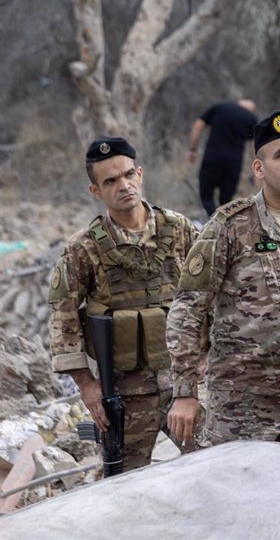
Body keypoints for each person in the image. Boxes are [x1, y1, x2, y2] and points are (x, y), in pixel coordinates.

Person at [166, 111, 280, 447]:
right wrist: (184, 392)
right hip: (241, 406)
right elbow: (188, 309)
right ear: (258, 169)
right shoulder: (230, 225)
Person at [48, 137, 198, 470]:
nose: (124, 185)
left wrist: (206, 363)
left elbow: (208, 296)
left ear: (140, 174)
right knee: (124, 484)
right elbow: (64, 320)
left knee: (213, 466)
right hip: (126, 393)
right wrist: (87, 386)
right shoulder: (82, 249)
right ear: (95, 191)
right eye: (110, 181)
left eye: (129, 175)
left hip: (185, 383)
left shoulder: (180, 230)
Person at [188, 98, 257, 215]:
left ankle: (213, 221)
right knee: (226, 200)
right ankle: (221, 226)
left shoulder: (220, 107)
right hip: (234, 164)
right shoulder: (251, 118)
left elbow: (198, 124)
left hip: (212, 159)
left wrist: (192, 149)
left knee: (206, 195)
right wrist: (255, 168)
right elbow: (255, 146)